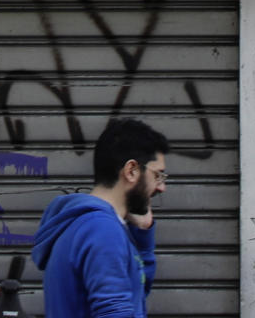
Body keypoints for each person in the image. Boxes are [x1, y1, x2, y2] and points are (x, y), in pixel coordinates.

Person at [31, 118, 169, 318]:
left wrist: (143, 238)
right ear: (131, 171)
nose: (161, 187)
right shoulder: (102, 230)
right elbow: (115, 312)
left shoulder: (82, 224)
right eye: (158, 175)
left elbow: (134, 297)